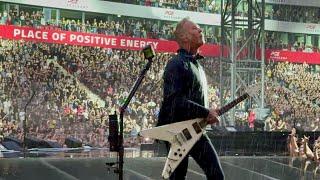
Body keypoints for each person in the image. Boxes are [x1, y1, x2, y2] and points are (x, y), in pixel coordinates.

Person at [157, 17, 224, 180]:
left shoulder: (195, 64)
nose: (200, 31)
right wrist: (205, 111)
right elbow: (174, 100)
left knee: (215, 176)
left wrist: (205, 114)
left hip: (195, 129)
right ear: (184, 37)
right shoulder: (176, 64)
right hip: (179, 131)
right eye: (195, 28)